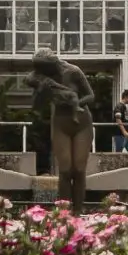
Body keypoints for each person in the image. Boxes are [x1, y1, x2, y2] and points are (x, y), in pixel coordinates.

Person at [29, 51, 95, 205]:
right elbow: (37, 107)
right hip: (60, 123)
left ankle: (79, 210)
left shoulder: (73, 71)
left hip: (81, 122)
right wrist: (41, 90)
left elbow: (91, 96)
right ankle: (64, 212)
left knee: (78, 170)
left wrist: (76, 103)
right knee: (65, 170)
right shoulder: (40, 77)